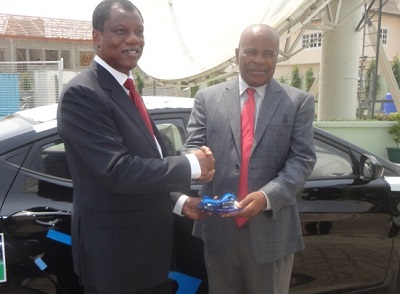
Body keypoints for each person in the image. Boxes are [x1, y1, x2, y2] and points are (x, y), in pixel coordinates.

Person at [57, 1, 215, 293]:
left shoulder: (126, 89)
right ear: (97, 37)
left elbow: (149, 160)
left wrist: (179, 202)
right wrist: (191, 165)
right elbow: (118, 171)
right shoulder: (83, 93)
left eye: (139, 31)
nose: (133, 39)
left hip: (145, 255)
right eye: (120, 30)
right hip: (118, 261)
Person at [183, 24, 317, 294]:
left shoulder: (298, 101)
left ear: (277, 57)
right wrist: (200, 162)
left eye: (268, 53)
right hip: (220, 229)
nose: (259, 59)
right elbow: (193, 148)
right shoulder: (208, 98)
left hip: (272, 229)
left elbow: (302, 160)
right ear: (237, 54)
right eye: (251, 52)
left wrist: (267, 196)